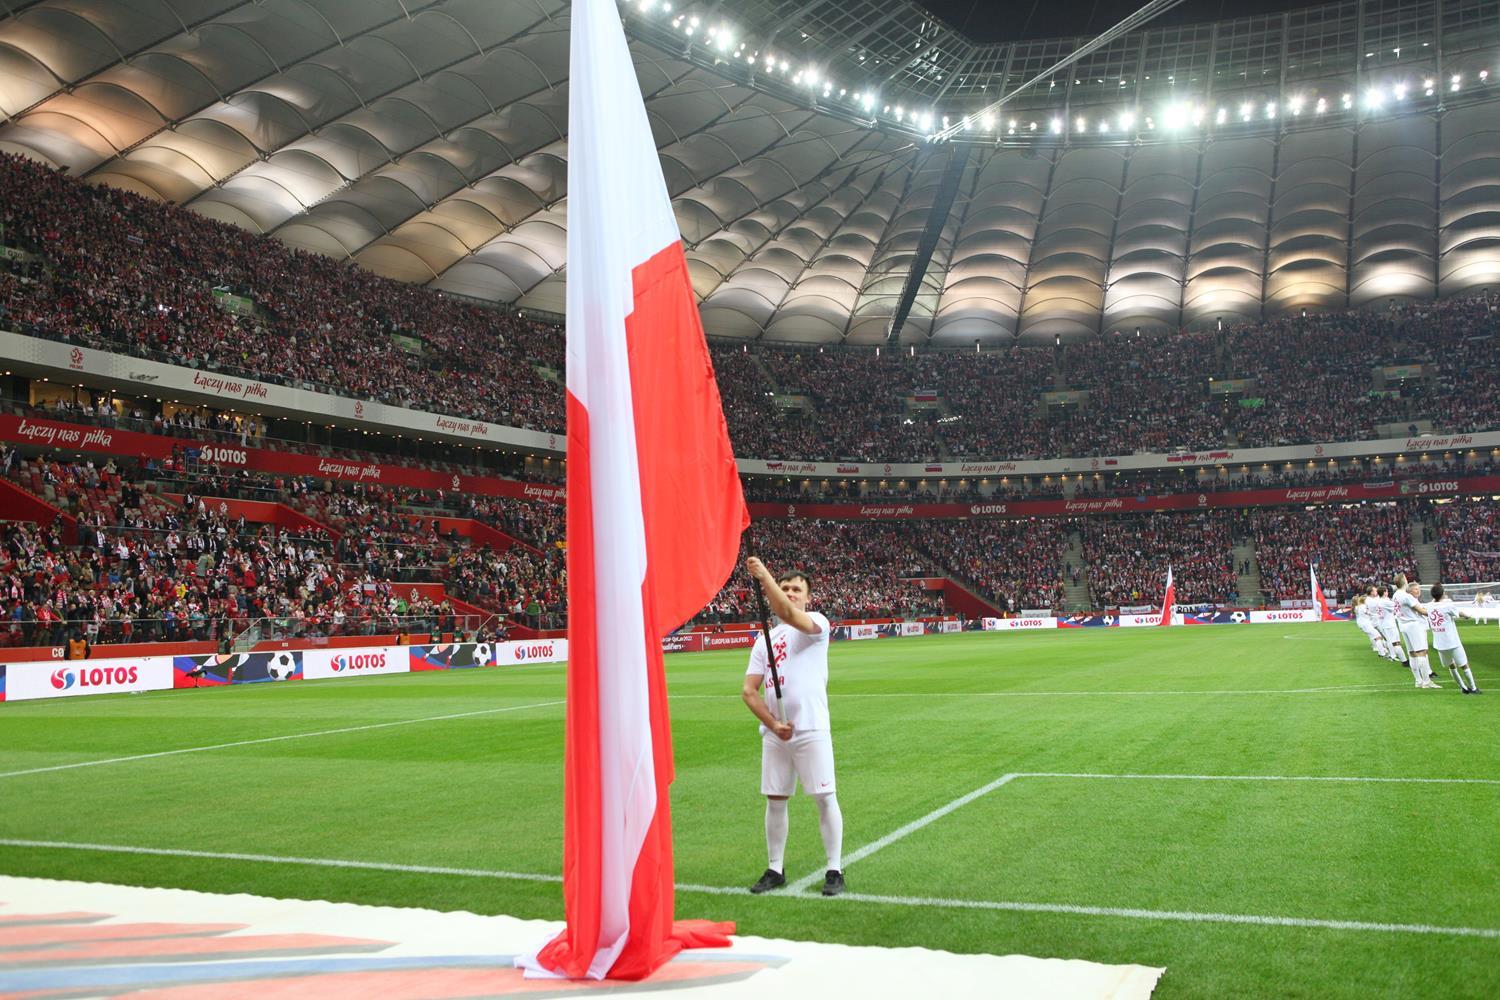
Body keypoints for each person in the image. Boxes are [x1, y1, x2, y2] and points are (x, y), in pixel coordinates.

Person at [740, 556, 844, 898]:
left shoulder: (816, 624)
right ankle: (775, 868)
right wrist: (773, 724)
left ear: (808, 597)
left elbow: (785, 612)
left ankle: (834, 869)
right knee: (775, 799)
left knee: (824, 797)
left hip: (811, 726)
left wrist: (764, 577)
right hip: (776, 733)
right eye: (785, 588)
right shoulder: (764, 641)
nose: (790, 593)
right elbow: (749, 691)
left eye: (797, 589)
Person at [1426, 584, 1483, 694]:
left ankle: (1463, 687)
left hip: (1439, 643)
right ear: (1442, 593)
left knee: (1451, 666)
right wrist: (1467, 616)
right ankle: (1473, 688)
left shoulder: (1428, 606)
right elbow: (1459, 613)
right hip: (1452, 641)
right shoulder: (1447, 605)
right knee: (1464, 665)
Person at [1393, 575, 1438, 689]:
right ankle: (1426, 682)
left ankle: (1418, 681)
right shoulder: (1406, 596)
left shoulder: (1395, 595)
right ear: (1404, 581)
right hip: (1413, 625)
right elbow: (1421, 611)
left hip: (1403, 625)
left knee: (1412, 654)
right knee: (1421, 653)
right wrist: (1437, 612)